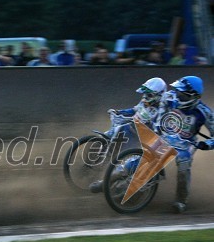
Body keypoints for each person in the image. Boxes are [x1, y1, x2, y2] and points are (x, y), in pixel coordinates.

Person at [89, 77, 167, 193]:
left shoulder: (164, 109)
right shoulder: (146, 100)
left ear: (159, 95)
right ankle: (105, 165)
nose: (145, 98)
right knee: (114, 133)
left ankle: (109, 182)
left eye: (148, 95)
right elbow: (135, 109)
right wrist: (120, 112)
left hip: (149, 142)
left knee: (128, 167)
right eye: (145, 94)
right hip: (134, 132)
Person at [157, 76, 214, 213]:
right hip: (165, 136)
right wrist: (158, 124)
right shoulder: (168, 97)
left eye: (182, 93)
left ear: (194, 96)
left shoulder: (204, 112)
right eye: (177, 91)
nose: (178, 95)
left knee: (183, 162)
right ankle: (118, 174)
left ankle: (181, 200)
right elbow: (158, 111)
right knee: (145, 153)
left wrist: (207, 144)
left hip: (186, 144)